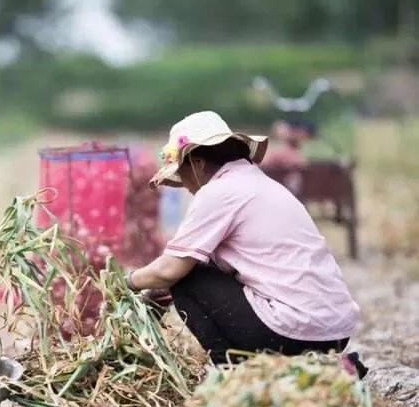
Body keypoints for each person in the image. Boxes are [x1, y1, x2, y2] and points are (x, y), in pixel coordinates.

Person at [124, 111, 359, 365]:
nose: (187, 186)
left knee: (187, 278)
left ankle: (229, 368)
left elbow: (170, 270)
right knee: (191, 269)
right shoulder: (258, 183)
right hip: (334, 332)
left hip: (296, 329)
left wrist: (126, 282)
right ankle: (321, 364)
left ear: (198, 164)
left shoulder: (218, 192)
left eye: (183, 173)